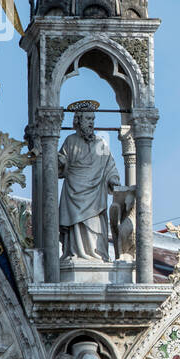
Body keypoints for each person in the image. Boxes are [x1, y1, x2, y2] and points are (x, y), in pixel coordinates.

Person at [57, 102, 121, 261]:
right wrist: (59, 161)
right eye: (87, 119)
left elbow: (109, 165)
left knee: (95, 227)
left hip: (95, 196)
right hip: (74, 192)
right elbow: (59, 165)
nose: (91, 122)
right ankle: (75, 253)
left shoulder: (101, 143)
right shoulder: (70, 141)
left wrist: (113, 179)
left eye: (93, 119)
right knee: (76, 229)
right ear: (78, 121)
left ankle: (97, 255)